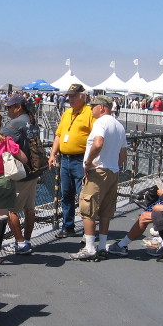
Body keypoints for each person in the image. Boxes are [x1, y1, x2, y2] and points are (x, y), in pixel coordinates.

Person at [70, 96, 127, 260]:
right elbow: (123, 154)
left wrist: (89, 163)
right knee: (105, 212)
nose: (91, 109)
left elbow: (98, 143)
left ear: (102, 107)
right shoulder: (119, 126)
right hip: (112, 172)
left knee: (88, 210)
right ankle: (102, 246)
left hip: (98, 172)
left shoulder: (101, 123)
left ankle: (89, 248)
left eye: (93, 106)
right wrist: (113, 164)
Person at [48, 84, 95, 238]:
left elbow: (96, 137)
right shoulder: (67, 113)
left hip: (81, 160)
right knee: (66, 195)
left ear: (83, 96)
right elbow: (59, 135)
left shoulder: (90, 113)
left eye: (74, 96)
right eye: (69, 96)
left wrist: (91, 160)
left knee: (84, 196)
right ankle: (68, 226)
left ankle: (87, 230)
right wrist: (53, 153)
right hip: (65, 160)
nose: (70, 99)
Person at [0, 94, 41, 255]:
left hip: (20, 172)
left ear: (18, 107)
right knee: (29, 208)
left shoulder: (15, 124)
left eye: (9, 107)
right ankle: (28, 240)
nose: (7, 110)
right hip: (34, 170)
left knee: (11, 210)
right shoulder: (31, 120)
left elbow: (0, 139)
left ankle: (20, 242)